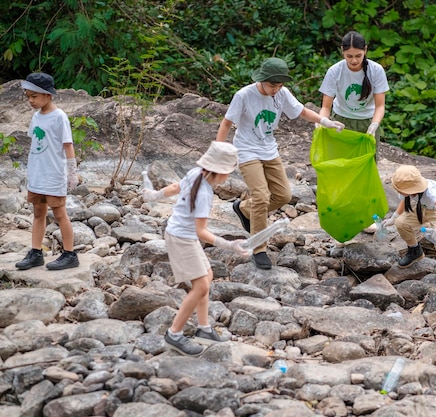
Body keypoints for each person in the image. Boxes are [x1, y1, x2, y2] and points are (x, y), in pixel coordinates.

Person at [215, 57, 344, 270]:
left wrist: (324, 122)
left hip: (269, 150)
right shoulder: (244, 95)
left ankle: (244, 209)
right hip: (247, 151)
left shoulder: (281, 94)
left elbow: (301, 111)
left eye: (280, 85)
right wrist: (218, 153)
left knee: (283, 195)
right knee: (261, 196)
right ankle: (259, 248)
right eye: (273, 85)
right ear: (262, 80)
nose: (276, 89)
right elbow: (227, 122)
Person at [142, 141, 250, 356]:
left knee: (207, 276)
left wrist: (154, 195)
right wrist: (229, 245)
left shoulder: (195, 172)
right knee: (200, 286)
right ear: (220, 172)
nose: (228, 178)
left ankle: (204, 329)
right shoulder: (205, 194)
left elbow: (175, 187)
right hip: (181, 238)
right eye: (228, 173)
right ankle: (174, 334)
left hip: (182, 235)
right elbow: (202, 231)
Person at [16, 72, 80, 271]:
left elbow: (68, 145)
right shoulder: (36, 117)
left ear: (48, 95)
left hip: (54, 174)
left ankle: (70, 254)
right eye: (28, 96)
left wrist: (72, 172)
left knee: (59, 213)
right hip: (37, 173)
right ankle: (36, 252)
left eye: (34, 96)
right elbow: (36, 144)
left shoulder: (59, 117)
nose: (30, 101)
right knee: (38, 212)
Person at [382, 165, 436, 281]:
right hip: (422, 208)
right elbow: (403, 201)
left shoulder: (431, 191)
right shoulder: (406, 190)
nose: (397, 191)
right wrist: (394, 218)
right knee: (401, 223)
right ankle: (415, 250)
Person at [319, 30, 389, 149]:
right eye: (349, 56)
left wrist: (374, 124)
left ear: (365, 50)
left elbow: (380, 106)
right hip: (341, 122)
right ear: (342, 52)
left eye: (358, 56)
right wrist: (322, 121)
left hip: (367, 121)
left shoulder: (376, 70)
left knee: (366, 164)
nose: (354, 61)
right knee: (340, 162)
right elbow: (326, 107)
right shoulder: (335, 71)